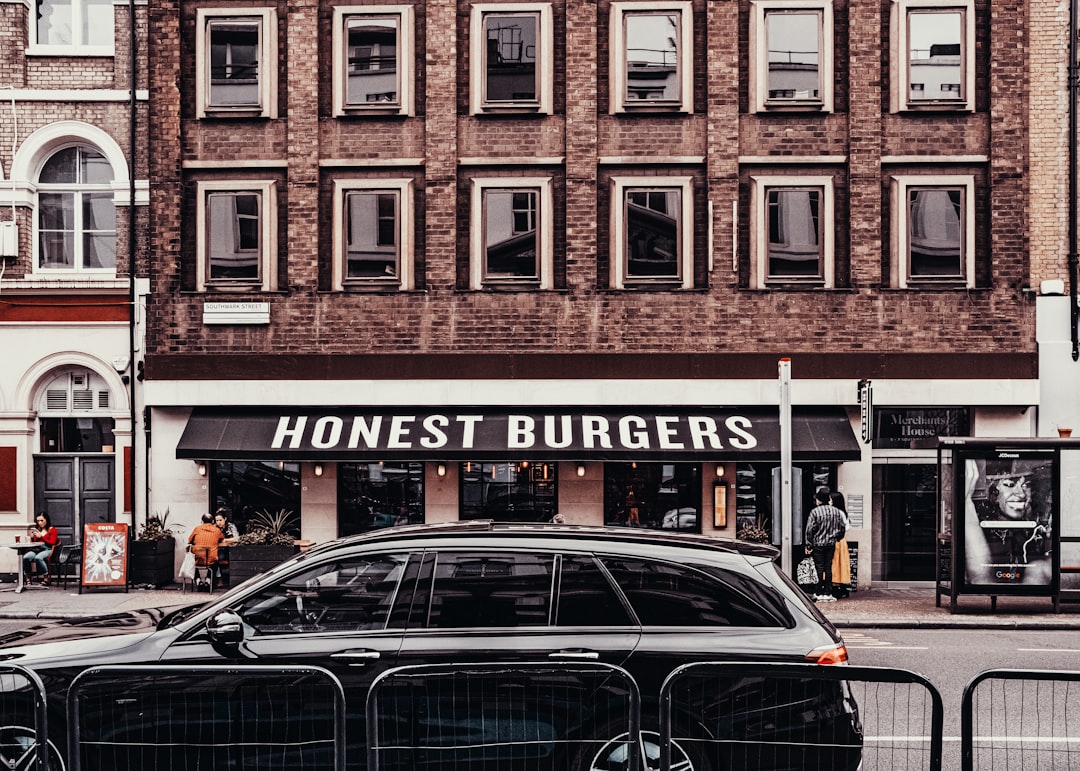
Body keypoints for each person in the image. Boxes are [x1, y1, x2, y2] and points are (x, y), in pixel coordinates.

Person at [964, 458, 1052, 586]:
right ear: (993, 493)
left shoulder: (1036, 531)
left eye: (1026, 485)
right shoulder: (982, 531)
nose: (1021, 493)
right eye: (1010, 484)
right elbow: (980, 579)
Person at [804, 487, 847, 603]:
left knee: (819, 567)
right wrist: (838, 538)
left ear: (819, 500)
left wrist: (808, 545)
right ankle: (828, 592)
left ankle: (818, 592)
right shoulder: (836, 511)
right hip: (831, 543)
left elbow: (809, 530)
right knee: (828, 567)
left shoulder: (815, 512)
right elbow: (842, 528)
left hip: (818, 543)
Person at [187, 513, 224, 590]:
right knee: (215, 561)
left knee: (192, 563)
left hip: (197, 560)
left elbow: (189, 540)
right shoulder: (217, 530)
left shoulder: (197, 529)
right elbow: (221, 539)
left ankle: (198, 580)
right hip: (210, 561)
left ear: (202, 521)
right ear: (213, 521)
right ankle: (208, 580)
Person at [24, 513, 59, 586]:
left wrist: (42, 536)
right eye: (38, 521)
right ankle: (28, 578)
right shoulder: (38, 530)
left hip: (48, 549)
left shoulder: (52, 530)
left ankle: (46, 578)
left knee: (38, 558)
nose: (40, 523)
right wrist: (33, 537)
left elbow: (52, 542)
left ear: (46, 520)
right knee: (26, 557)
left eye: (41, 520)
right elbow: (35, 543)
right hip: (37, 549)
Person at [830, 491, 852, 599]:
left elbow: (845, 526)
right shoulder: (842, 512)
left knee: (836, 565)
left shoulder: (838, 512)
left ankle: (838, 588)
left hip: (837, 541)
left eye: (830, 499)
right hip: (841, 541)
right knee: (840, 565)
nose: (829, 501)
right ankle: (842, 588)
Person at [214, 508, 238, 589]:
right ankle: (219, 578)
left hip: (231, 550)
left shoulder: (231, 526)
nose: (218, 522)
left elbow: (237, 538)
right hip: (219, 550)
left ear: (225, 519)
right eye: (217, 520)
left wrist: (225, 540)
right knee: (217, 558)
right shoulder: (214, 528)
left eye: (220, 520)